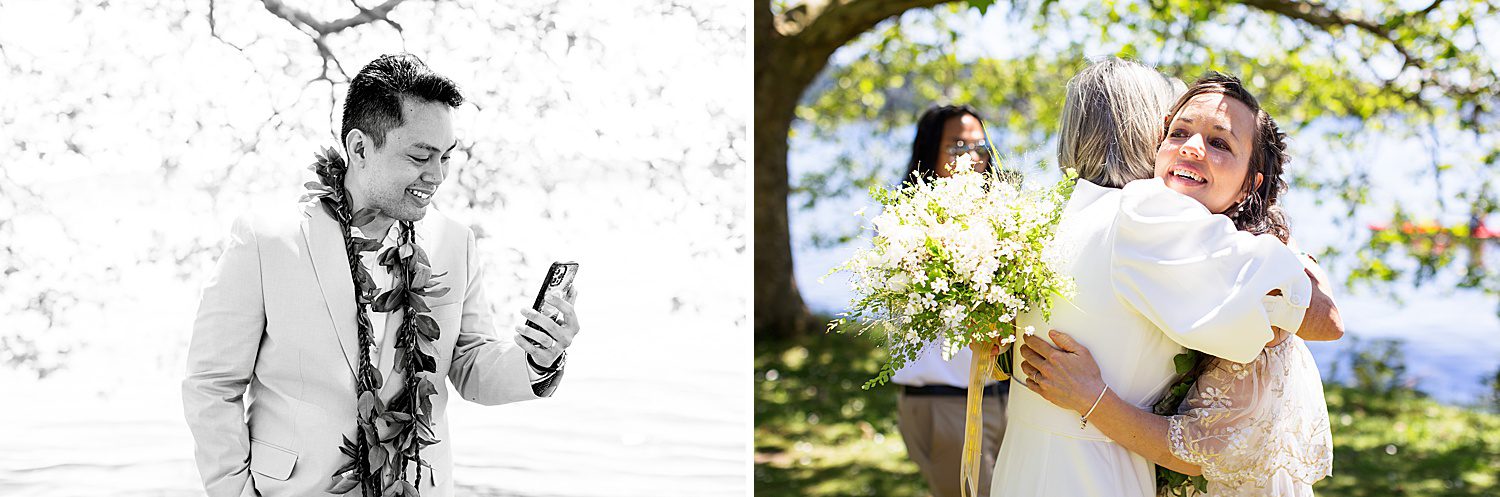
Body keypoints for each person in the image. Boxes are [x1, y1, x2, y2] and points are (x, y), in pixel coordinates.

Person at [181, 53, 581, 497]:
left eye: (446, 157)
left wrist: (538, 359)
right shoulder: (266, 241)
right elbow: (212, 384)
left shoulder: (454, 241)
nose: (437, 176)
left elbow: (469, 363)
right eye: (420, 156)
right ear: (359, 148)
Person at [988, 59, 1341, 497]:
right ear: (1151, 133)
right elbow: (1324, 320)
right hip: (1095, 473)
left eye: (1219, 142)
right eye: (1176, 130)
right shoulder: (1148, 216)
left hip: (1023, 466)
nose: (1191, 147)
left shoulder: (1045, 220)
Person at [891, 104, 1008, 497]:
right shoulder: (905, 226)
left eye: (978, 146)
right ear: (929, 154)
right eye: (957, 147)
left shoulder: (1006, 218)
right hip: (946, 405)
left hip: (1008, 398)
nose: (971, 158)